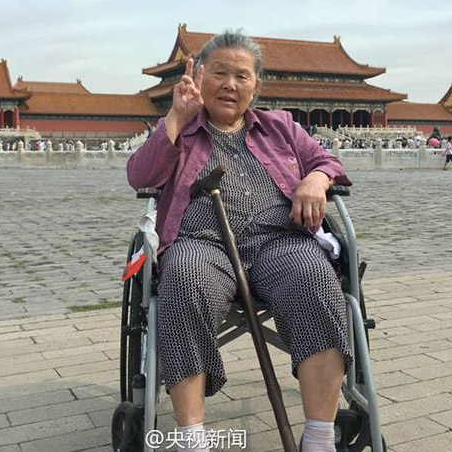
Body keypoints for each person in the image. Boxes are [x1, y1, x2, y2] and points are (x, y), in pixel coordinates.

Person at [127, 31, 352, 452]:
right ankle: (192, 437)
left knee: (314, 279)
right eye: (220, 73)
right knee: (184, 279)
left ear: (256, 85)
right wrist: (175, 118)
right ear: (199, 77)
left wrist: (316, 179)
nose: (230, 84)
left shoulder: (280, 126)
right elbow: (141, 176)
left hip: (279, 242)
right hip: (201, 242)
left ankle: (320, 437)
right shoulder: (181, 129)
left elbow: (327, 160)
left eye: (242, 76)